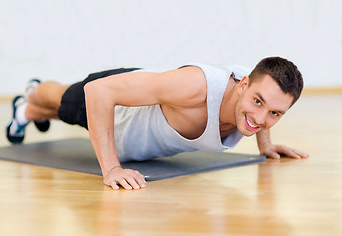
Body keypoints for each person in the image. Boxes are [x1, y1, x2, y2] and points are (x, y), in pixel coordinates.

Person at [6, 56, 309, 190]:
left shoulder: (257, 88)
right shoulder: (196, 87)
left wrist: (266, 144)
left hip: (137, 121)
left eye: (275, 114)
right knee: (62, 101)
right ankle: (33, 92)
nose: (260, 119)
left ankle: (26, 112)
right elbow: (97, 92)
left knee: (56, 111)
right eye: (258, 103)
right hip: (119, 111)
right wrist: (111, 169)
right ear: (243, 85)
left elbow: (265, 104)